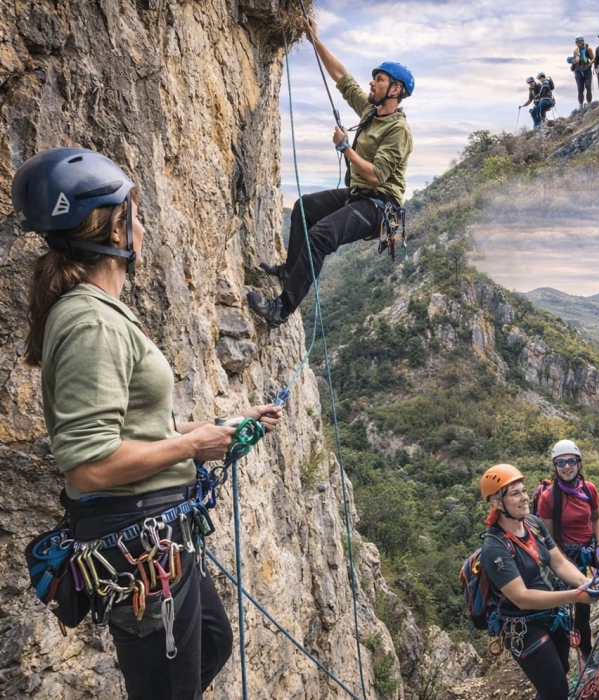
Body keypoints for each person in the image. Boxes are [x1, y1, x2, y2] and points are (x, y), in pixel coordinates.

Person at [12, 147, 282, 699]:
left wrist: (218, 427)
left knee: (212, 643)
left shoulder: (102, 312)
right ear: (113, 229)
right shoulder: (91, 322)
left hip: (156, 530)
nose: (143, 225)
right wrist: (192, 447)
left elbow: (137, 425)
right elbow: (88, 466)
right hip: (138, 543)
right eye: (133, 214)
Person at [247, 16, 414, 327]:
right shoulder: (370, 111)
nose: (371, 83)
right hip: (360, 194)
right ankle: (290, 271)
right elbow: (341, 77)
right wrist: (316, 40)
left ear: (395, 89)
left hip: (380, 206)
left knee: (321, 236)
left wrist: (345, 148)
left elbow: (377, 176)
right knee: (304, 208)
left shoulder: (398, 130)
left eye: (379, 79)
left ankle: (281, 310)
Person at [478, 464, 599, 699]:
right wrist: (576, 595)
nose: (525, 498)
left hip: (553, 615)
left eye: (524, 491)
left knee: (561, 673)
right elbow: (522, 598)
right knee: (556, 690)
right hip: (525, 627)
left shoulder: (533, 524)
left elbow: (558, 562)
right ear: (497, 504)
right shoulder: (495, 547)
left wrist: (588, 582)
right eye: (515, 494)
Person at [534, 439, 599, 661]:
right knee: (582, 607)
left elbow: (596, 518)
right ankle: (587, 652)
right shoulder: (548, 497)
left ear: (579, 463)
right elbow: (548, 538)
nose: (567, 466)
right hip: (567, 555)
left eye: (571, 461)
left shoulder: (588, 489)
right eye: (561, 463)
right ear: (555, 466)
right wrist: (564, 563)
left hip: (590, 546)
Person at [568, 35, 594, 110]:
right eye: (578, 42)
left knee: (588, 87)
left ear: (583, 42)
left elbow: (593, 58)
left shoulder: (588, 49)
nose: (579, 43)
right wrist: (572, 64)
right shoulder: (575, 51)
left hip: (587, 70)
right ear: (576, 43)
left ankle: (589, 104)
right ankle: (581, 106)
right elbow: (575, 60)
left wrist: (591, 63)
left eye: (580, 42)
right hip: (578, 71)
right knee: (580, 89)